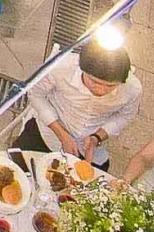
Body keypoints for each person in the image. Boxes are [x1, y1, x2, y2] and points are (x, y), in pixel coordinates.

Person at [18, 39, 140, 167]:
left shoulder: (132, 88)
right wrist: (61, 134)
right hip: (46, 133)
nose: (101, 90)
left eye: (110, 86)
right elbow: (35, 94)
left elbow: (125, 116)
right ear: (82, 70)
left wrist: (96, 138)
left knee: (92, 178)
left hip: (87, 148)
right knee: (16, 167)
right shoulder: (61, 66)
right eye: (95, 82)